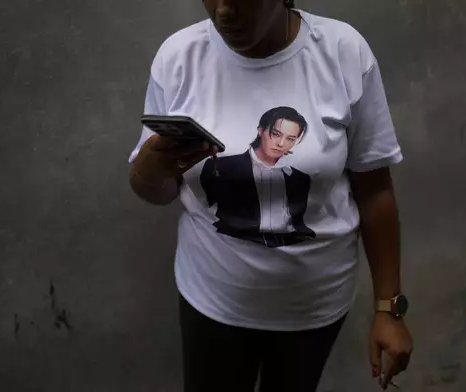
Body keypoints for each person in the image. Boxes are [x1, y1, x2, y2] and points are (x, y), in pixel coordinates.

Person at [128, 0, 413, 391]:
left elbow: (375, 190)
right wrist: (148, 169)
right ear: (260, 132)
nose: (224, 11)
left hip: (313, 309)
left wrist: (389, 309)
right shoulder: (179, 57)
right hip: (213, 302)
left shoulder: (343, 52)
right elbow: (156, 191)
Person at [200, 106, 315, 247]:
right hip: (232, 247)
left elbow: (299, 222)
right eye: (276, 134)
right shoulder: (220, 167)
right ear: (260, 131)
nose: (281, 144)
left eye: (290, 139)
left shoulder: (300, 179)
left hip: (295, 250)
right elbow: (204, 207)